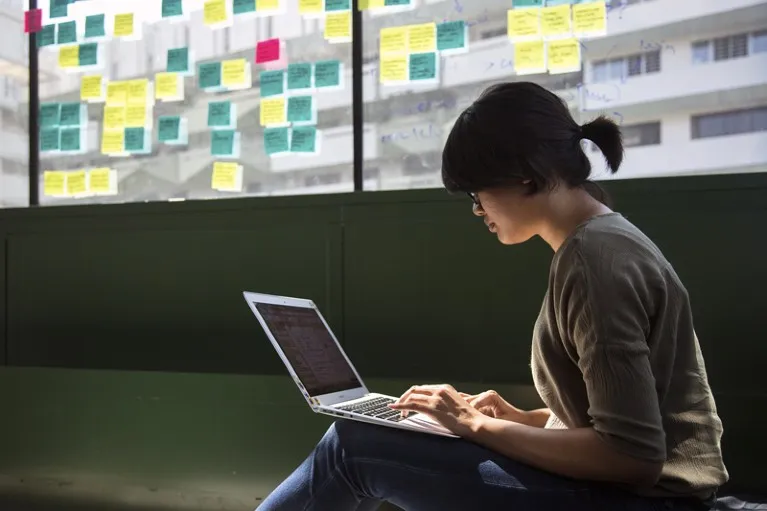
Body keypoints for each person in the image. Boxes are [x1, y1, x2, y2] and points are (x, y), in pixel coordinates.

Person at [257, 82, 728, 511]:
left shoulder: (593, 262)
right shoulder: (600, 243)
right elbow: (626, 415)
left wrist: (475, 424)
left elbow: (632, 456)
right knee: (369, 438)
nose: (477, 209)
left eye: (477, 193)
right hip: (637, 493)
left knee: (355, 447)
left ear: (523, 175)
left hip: (647, 501)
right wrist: (524, 420)